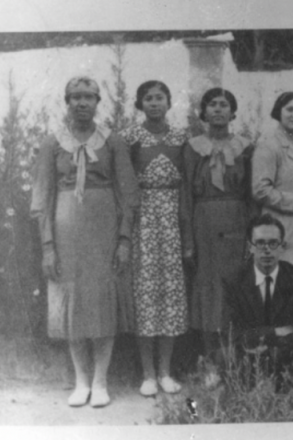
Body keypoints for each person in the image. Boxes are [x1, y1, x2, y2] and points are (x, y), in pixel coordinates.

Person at [31, 76, 139, 408]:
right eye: (75, 97)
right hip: (66, 234)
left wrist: (123, 240)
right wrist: (48, 246)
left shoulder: (113, 142)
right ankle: (80, 381)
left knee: (102, 300)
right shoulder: (52, 143)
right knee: (73, 304)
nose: (81, 103)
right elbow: (42, 197)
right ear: (67, 102)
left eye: (88, 97)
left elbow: (129, 195)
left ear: (97, 102)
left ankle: (101, 380)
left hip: (103, 230)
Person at [120, 80, 191, 396]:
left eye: (159, 97)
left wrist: (186, 232)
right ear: (139, 104)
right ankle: (147, 374)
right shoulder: (129, 138)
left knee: (171, 296)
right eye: (147, 98)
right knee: (146, 295)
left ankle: (165, 371)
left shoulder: (181, 138)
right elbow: (124, 184)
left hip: (172, 220)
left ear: (169, 102)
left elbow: (187, 186)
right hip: (142, 221)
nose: (154, 103)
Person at [183, 88, 254, 361]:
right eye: (212, 105)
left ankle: (234, 358)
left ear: (233, 112)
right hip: (204, 223)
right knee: (207, 285)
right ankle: (210, 357)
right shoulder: (192, 148)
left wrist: (252, 234)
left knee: (233, 285)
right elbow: (186, 196)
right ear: (204, 112)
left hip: (236, 220)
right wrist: (189, 241)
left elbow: (251, 196)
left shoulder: (245, 147)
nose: (218, 110)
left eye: (224, 105)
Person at [222, 214, 293, 381]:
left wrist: (270, 345)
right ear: (249, 247)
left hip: (286, 357)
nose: (266, 250)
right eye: (260, 243)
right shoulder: (234, 280)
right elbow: (232, 334)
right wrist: (275, 332)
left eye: (273, 243)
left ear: (282, 247)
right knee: (226, 358)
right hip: (249, 359)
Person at [252, 92, 293, 296]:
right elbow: (260, 190)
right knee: (285, 280)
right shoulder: (269, 144)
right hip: (282, 225)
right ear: (278, 112)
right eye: (289, 109)